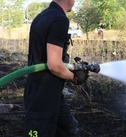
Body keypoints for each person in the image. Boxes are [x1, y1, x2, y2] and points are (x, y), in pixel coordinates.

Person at [24, 0, 88, 136]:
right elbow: (54, 64)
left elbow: (45, 57)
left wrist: (70, 69)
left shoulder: (42, 16)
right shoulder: (60, 20)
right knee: (36, 134)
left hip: (45, 91)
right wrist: (74, 77)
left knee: (69, 130)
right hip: (44, 95)